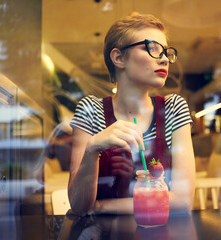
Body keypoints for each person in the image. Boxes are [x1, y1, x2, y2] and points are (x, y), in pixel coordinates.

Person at [68, 13, 196, 216]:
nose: (164, 58)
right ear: (118, 58)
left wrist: (101, 206)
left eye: (165, 51)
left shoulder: (173, 108)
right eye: (153, 48)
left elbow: (182, 201)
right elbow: (79, 205)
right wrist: (92, 149)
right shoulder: (90, 110)